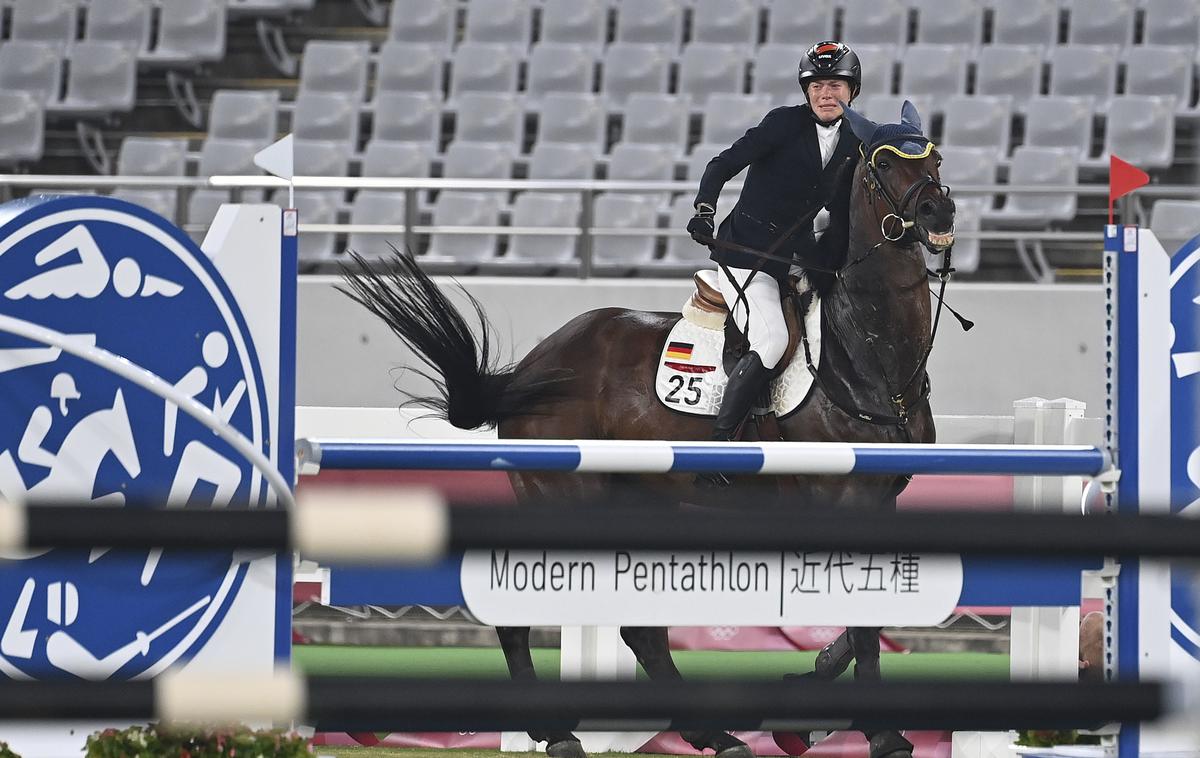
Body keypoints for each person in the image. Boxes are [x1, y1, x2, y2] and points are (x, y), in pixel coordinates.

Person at [687, 40, 864, 487]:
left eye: (836, 85)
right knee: (771, 339)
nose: (827, 94)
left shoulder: (859, 139)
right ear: (806, 91)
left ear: (852, 91)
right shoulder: (782, 124)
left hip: (798, 257)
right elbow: (722, 164)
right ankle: (718, 448)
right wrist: (705, 208)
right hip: (748, 254)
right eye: (818, 85)